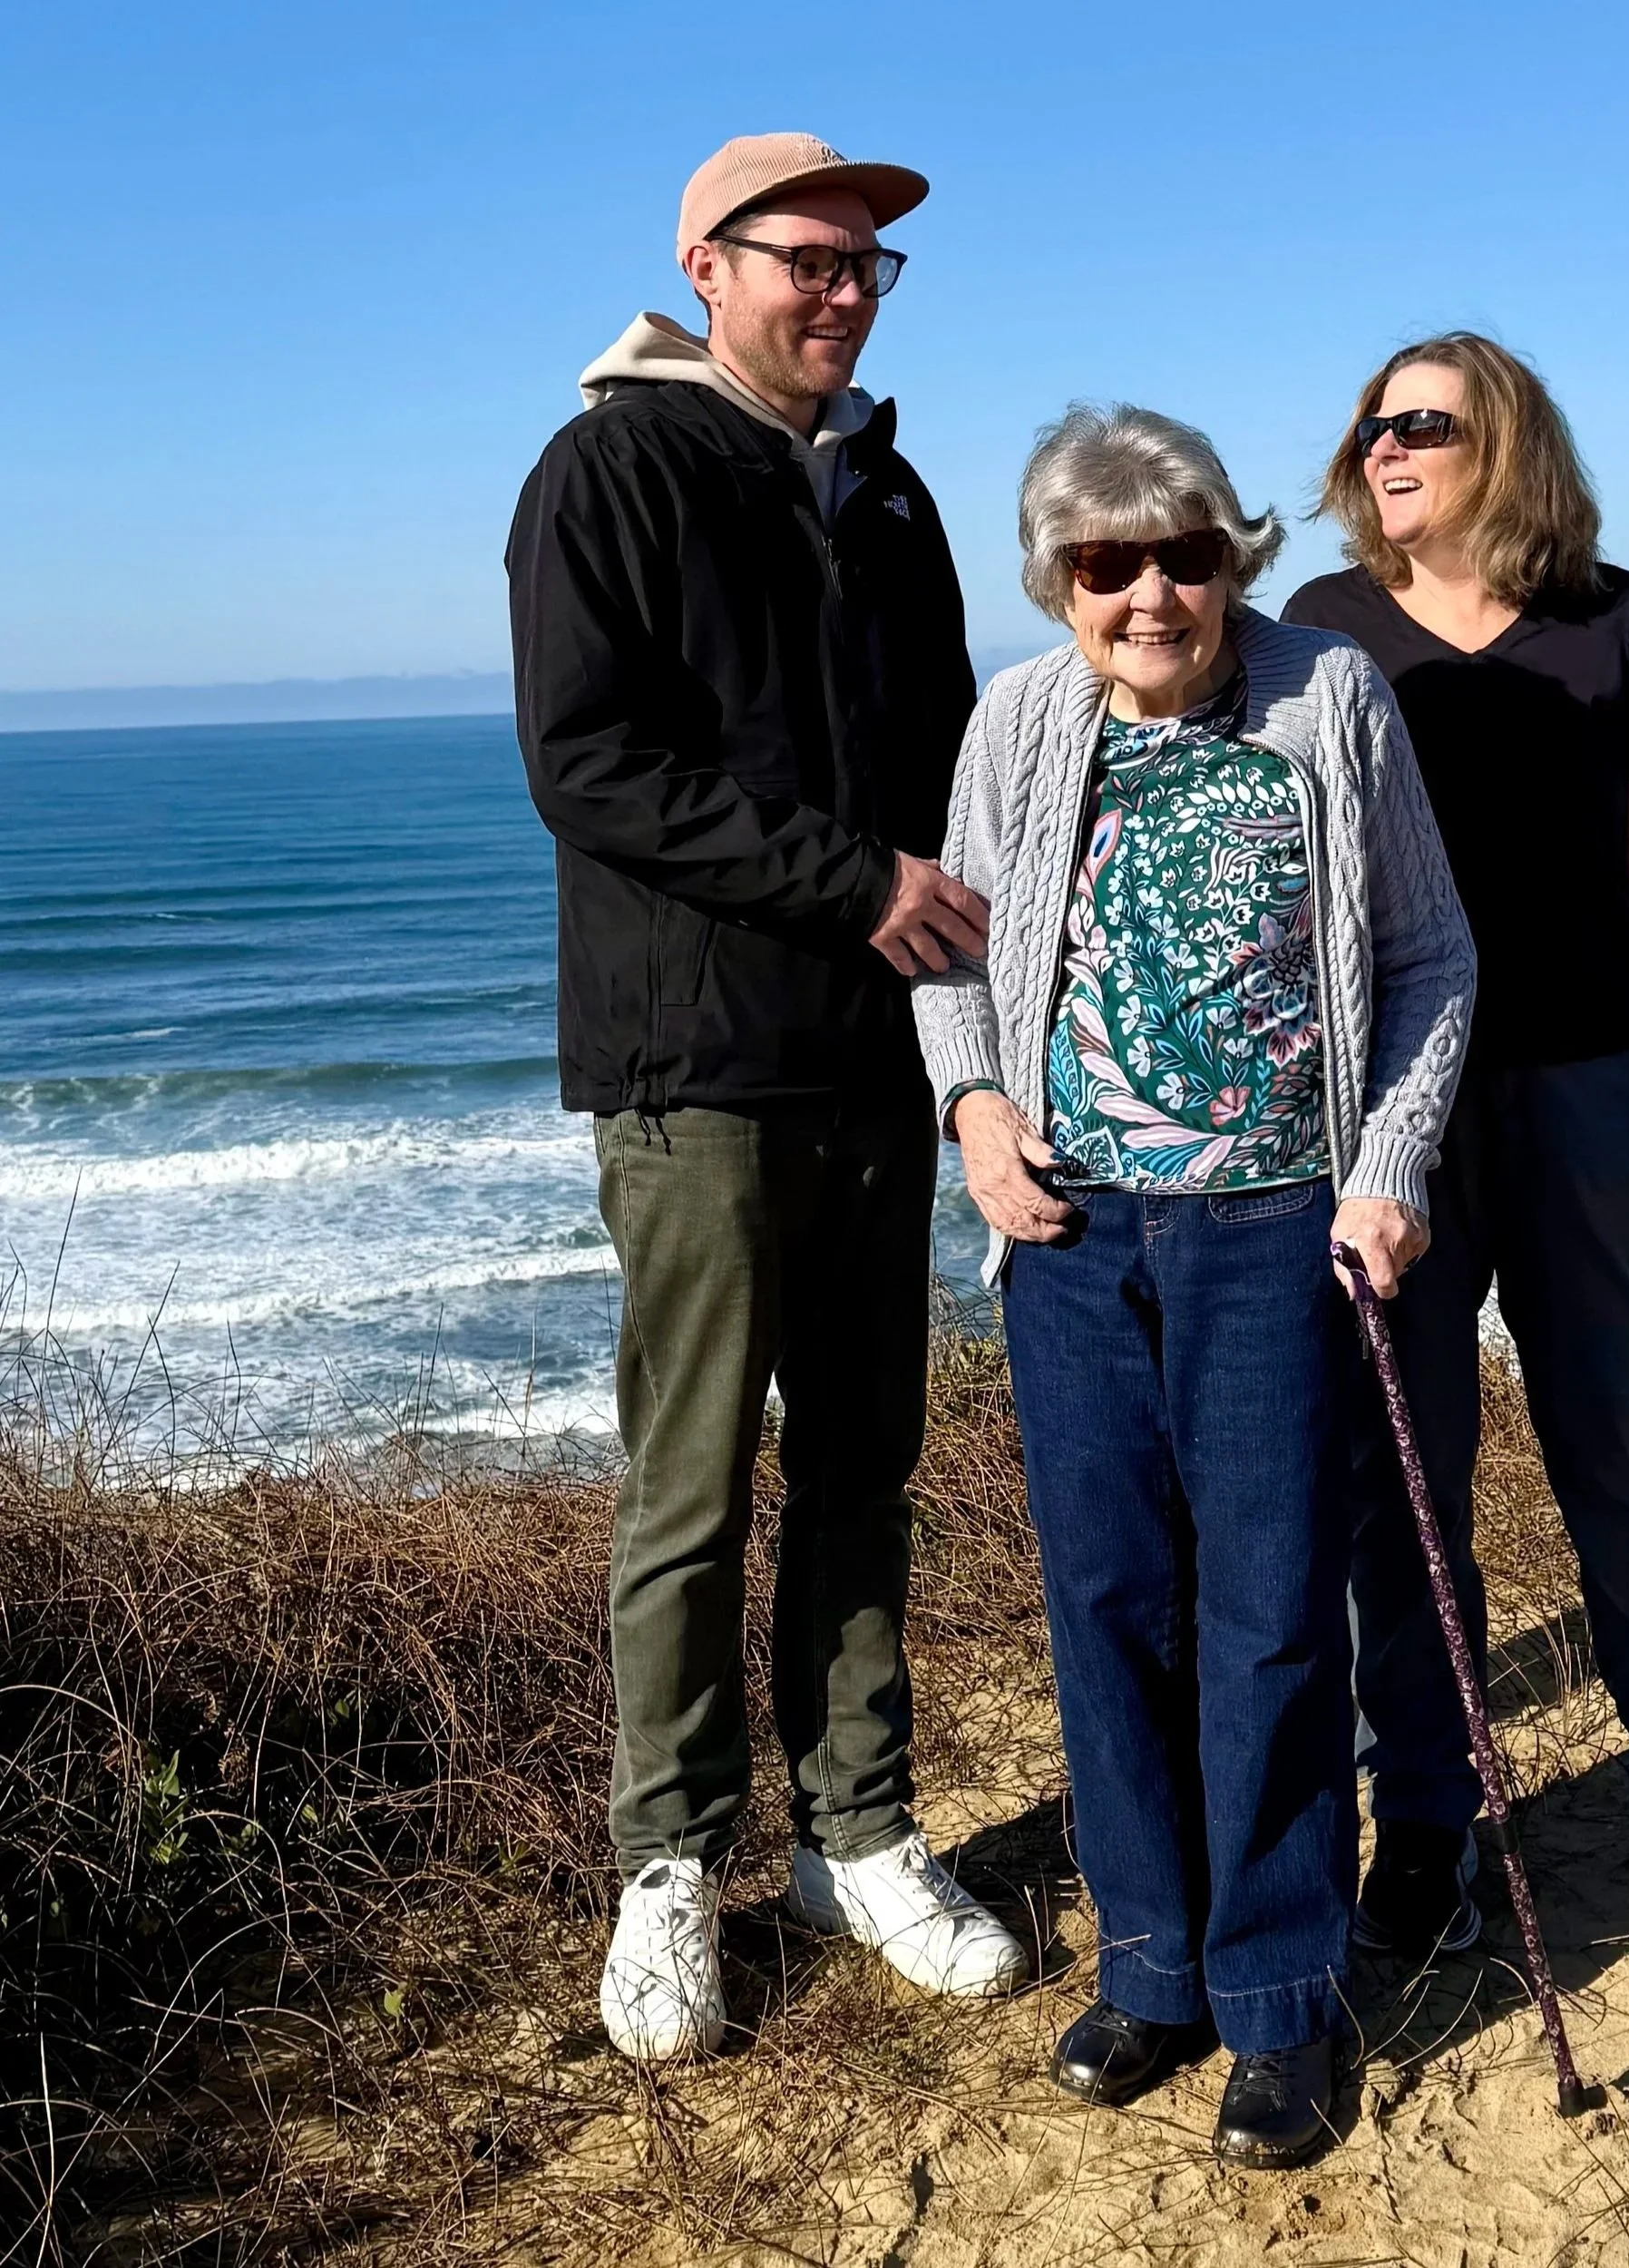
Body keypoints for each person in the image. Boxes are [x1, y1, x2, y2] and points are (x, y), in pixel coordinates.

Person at [506, 132, 1029, 2063]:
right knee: (690, 1477)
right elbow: (589, 764)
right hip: (696, 1064)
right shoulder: (609, 470)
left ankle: (859, 1833)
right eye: (803, 258)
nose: (838, 290)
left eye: (866, 268)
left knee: (866, 1460)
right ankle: (665, 1868)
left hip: (877, 1061)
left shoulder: (884, 490)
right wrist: (857, 883)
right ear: (703, 269)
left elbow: (953, 769)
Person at [912, 406, 1475, 2168]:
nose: (1150, 593)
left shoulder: (1327, 699)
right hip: (1068, 1236)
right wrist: (978, 1112)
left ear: (1230, 551)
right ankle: (1150, 1965)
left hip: (1269, 1229)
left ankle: (1281, 1996)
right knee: (1108, 1604)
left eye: (1183, 554)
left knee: (1271, 1615)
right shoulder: (1016, 716)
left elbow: (1427, 955)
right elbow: (952, 949)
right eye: (1105, 565)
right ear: (1056, 584)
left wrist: (1386, 1171)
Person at [1283, 333, 1629, 1950]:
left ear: (1502, 440)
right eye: (1372, 424)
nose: (1386, 446)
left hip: (1586, 1082)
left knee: (1622, 1443)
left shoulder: (1604, 614)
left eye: (1422, 422)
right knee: (1403, 1480)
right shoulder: (1322, 631)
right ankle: (1429, 1824)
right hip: (1393, 1117)